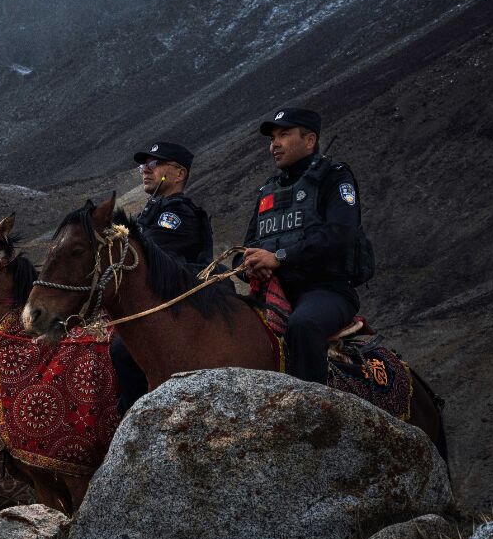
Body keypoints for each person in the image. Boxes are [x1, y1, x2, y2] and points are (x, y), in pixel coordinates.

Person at [240, 107, 364, 384]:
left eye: (284, 135)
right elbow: (248, 247)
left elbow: (340, 234)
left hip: (327, 290)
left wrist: (279, 258)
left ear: (309, 141)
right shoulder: (267, 191)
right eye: (273, 138)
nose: (275, 144)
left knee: (302, 325)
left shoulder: (335, 177)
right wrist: (250, 266)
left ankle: (310, 414)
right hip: (273, 292)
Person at [112, 141, 215, 414]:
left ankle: (134, 415)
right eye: (142, 165)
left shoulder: (177, 213)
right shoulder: (154, 211)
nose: (145, 170)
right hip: (157, 301)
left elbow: (148, 261)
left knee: (123, 349)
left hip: (181, 303)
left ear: (179, 173)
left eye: (154, 164)